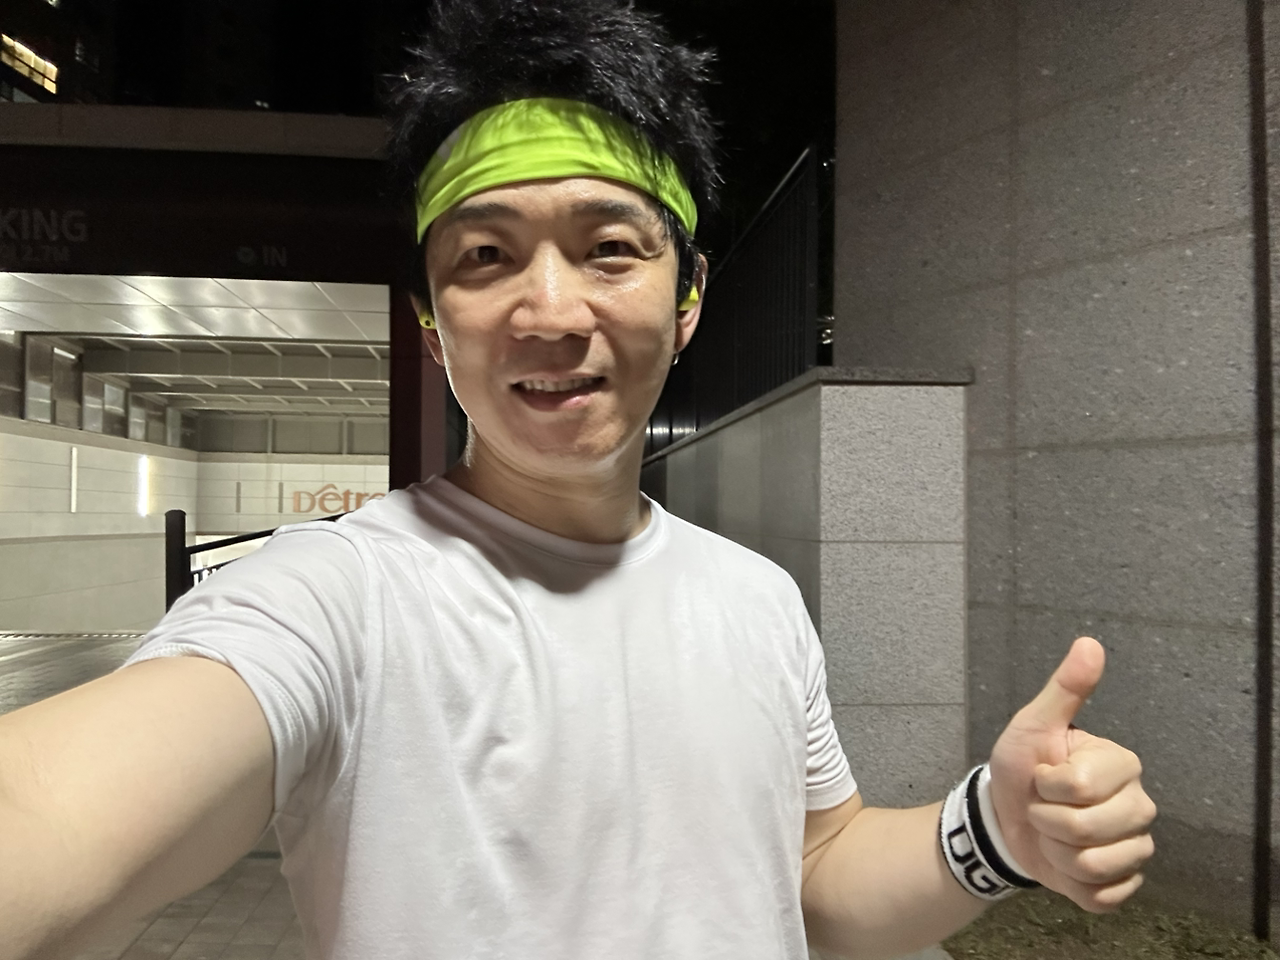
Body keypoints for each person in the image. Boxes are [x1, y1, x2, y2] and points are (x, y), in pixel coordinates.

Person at [0, 2, 1156, 958]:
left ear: (686, 297)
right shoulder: (336, 599)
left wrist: (990, 830)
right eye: (484, 256)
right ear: (431, 324)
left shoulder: (754, 599)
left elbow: (814, 876)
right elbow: (47, 816)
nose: (549, 312)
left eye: (609, 248)